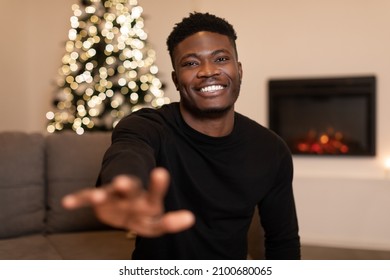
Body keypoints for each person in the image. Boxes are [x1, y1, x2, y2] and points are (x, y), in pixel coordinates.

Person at [63, 12, 300, 260]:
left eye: (220, 58)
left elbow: (283, 243)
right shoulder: (146, 126)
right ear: (176, 80)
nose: (208, 71)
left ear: (239, 70)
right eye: (191, 63)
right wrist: (125, 188)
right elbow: (128, 154)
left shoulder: (271, 149)